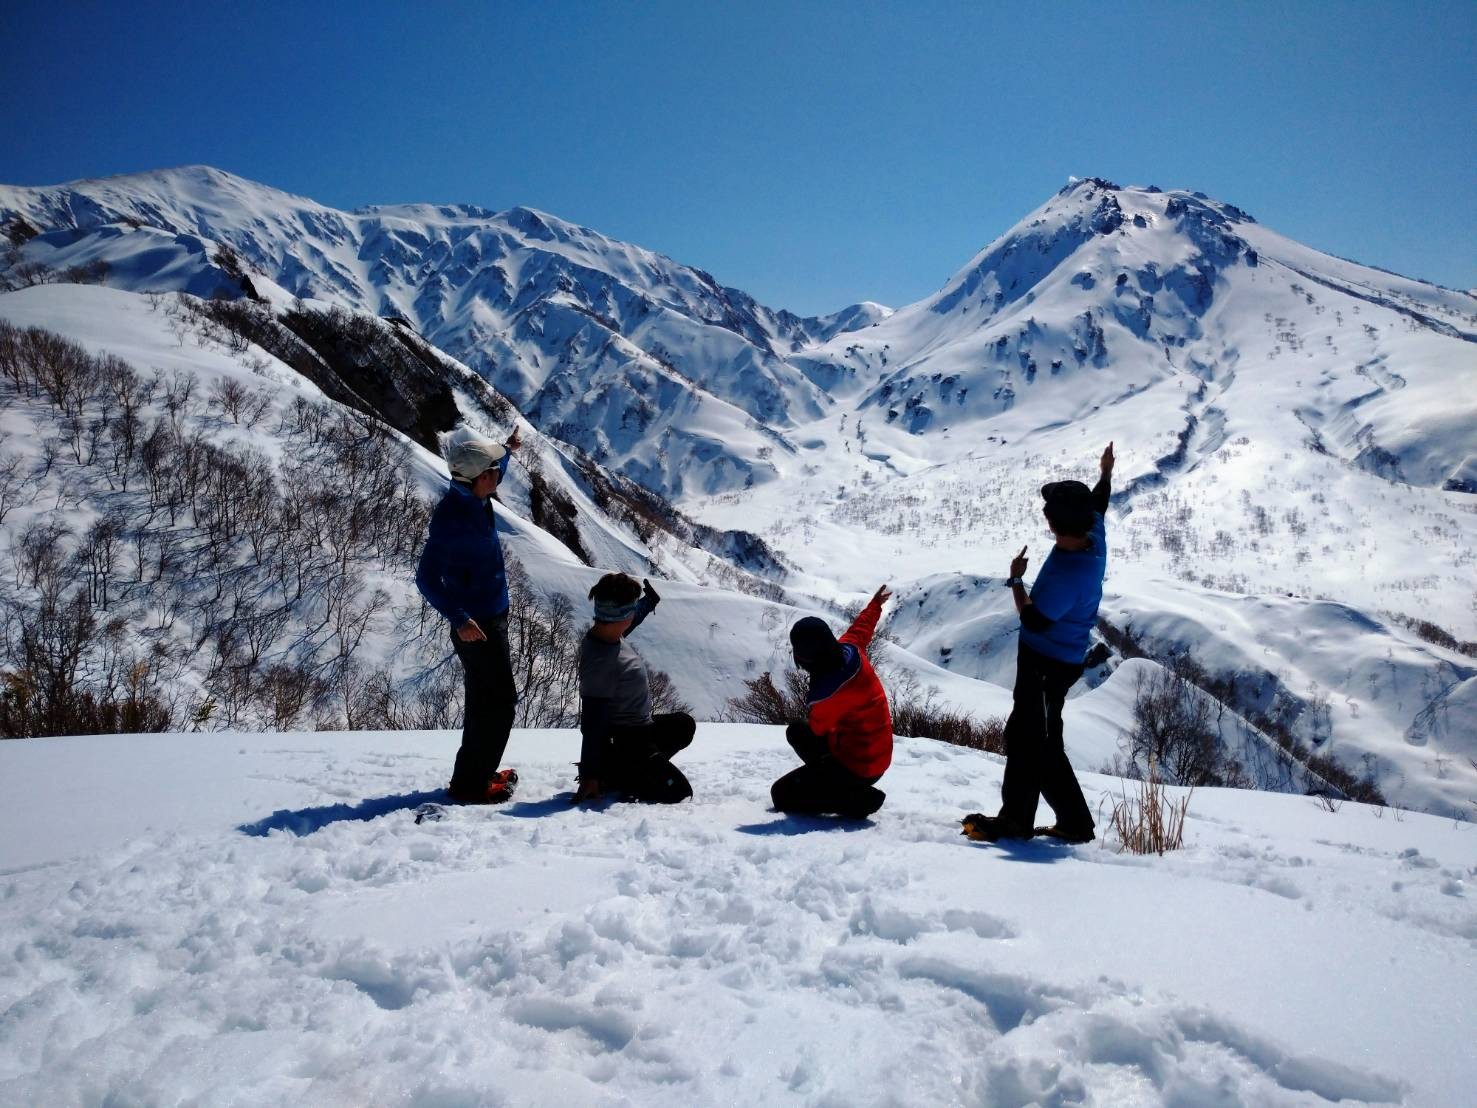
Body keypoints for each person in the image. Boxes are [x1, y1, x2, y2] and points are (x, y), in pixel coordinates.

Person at [963, 443, 1115, 844]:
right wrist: (1105, 472)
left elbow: (1034, 619)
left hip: (1046, 663)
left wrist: (1016, 579)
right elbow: (1100, 501)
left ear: (1053, 523)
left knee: (1029, 739)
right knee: (1038, 737)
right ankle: (1073, 823)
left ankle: (1016, 822)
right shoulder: (1093, 533)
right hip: (1054, 659)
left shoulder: (1070, 575)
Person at [415, 426, 523, 804]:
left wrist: (508, 449)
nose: (497, 475)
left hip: (491, 616)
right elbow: (426, 578)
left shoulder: (475, 491)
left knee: (484, 702)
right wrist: (459, 618)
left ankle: (472, 776)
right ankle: (473, 785)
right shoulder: (452, 520)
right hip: (477, 627)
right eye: (492, 471)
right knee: (500, 703)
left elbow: (495, 468)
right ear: (479, 478)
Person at [771, 586, 894, 819]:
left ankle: (854, 799)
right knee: (797, 731)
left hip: (861, 766)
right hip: (877, 754)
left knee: (781, 795)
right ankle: (830, 778)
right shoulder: (850, 649)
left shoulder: (827, 694)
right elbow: (861, 628)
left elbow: (819, 728)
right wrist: (875, 604)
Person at [574, 573, 695, 804]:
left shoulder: (609, 633)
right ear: (622, 617)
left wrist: (648, 603)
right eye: (632, 608)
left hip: (640, 728)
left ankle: (630, 769)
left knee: (683, 725)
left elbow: (629, 616)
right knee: (679, 792)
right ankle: (618, 774)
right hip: (627, 740)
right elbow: (592, 722)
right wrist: (590, 774)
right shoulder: (601, 662)